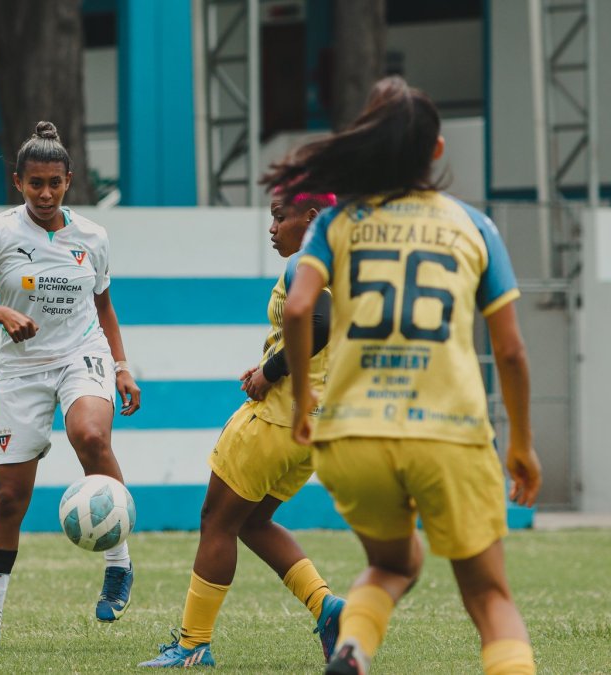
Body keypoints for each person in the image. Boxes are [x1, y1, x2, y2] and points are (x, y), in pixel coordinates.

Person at [276, 77, 542, 675]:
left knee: (394, 565)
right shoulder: (475, 226)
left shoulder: (335, 222)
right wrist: (521, 442)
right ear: (438, 152)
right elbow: (513, 352)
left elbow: (297, 310)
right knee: (491, 598)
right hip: (448, 432)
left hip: (352, 433)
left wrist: (300, 405)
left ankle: (352, 649)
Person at [0, 121, 142, 651]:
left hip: (83, 354)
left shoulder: (93, 236)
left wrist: (121, 365)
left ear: (69, 180)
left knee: (91, 437)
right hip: (21, 371)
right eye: (36, 183)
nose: (46, 193)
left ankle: (118, 565)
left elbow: (103, 306)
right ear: (18, 182)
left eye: (55, 182)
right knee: (9, 499)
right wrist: (1, 313)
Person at [139, 190, 344, 668]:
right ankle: (326, 606)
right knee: (253, 522)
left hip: (274, 420)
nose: (272, 228)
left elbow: (320, 324)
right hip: (316, 427)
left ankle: (192, 646)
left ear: (311, 218)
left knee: (217, 521)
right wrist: (270, 361)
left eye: (279, 217)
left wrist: (269, 373)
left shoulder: (305, 262)